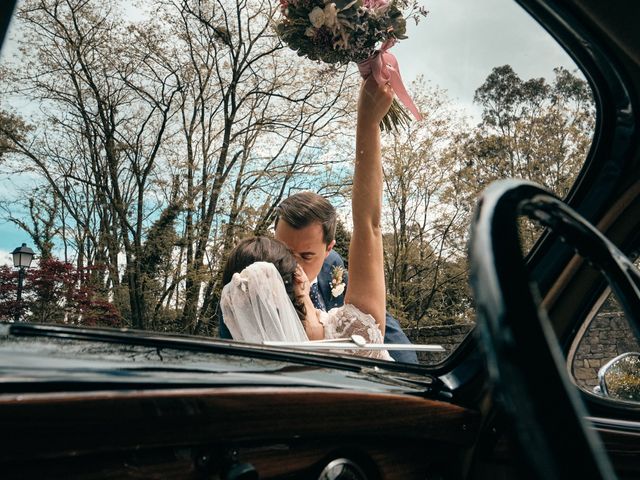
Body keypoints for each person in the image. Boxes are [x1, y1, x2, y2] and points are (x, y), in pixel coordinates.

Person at [219, 77, 397, 361]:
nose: (296, 266)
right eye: (290, 257)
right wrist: (368, 122)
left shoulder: (251, 351)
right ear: (297, 280)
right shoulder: (353, 336)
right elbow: (369, 223)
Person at [219, 190, 418, 363]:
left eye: (306, 256)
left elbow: (382, 333)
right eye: (286, 251)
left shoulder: (339, 277)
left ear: (328, 249)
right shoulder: (246, 288)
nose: (295, 266)